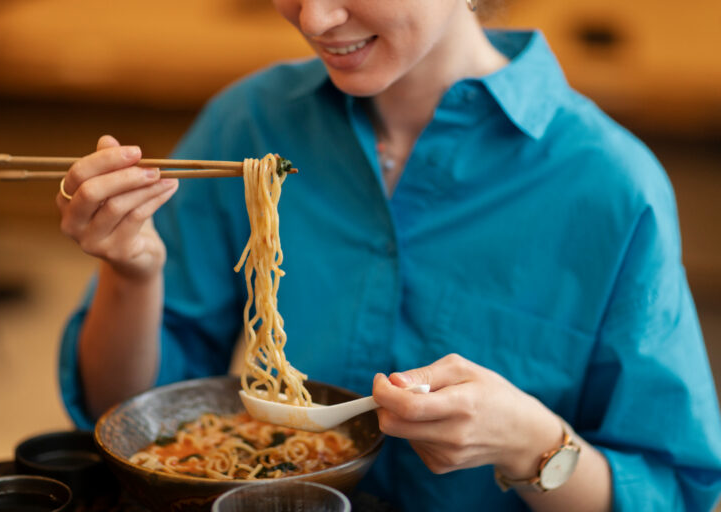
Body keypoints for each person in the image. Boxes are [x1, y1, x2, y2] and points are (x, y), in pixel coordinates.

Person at [56, 0, 721, 510]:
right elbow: (136, 423)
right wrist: (132, 273)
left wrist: (531, 443)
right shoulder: (252, 124)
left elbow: (669, 491)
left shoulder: (606, 184)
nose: (313, 16)